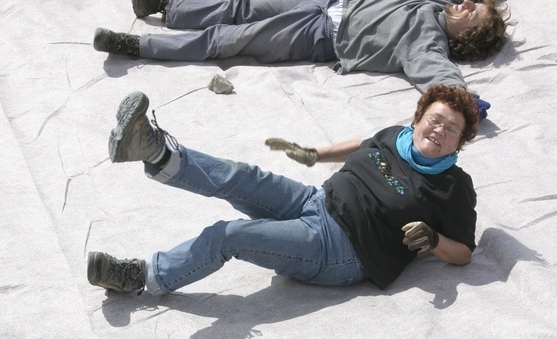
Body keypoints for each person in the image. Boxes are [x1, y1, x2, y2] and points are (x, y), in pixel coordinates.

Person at [87, 84, 479, 295]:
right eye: (435, 119)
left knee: (229, 235)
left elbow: (463, 252)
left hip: (342, 250)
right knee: (242, 176)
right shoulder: (397, 135)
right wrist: (315, 154)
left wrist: (433, 240)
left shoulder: (454, 186)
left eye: (452, 130)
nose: (439, 131)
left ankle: (138, 277)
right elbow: (362, 145)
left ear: (459, 143)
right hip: (315, 200)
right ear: (418, 118)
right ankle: (154, 151)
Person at [93, 0, 512, 118]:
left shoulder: (427, 41)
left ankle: (139, 46)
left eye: (473, 12)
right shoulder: (436, 4)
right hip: (324, 2)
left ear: (468, 35)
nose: (466, 3)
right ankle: (168, 7)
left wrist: (467, 103)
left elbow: (440, 76)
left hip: (320, 36)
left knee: (230, 40)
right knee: (242, 4)